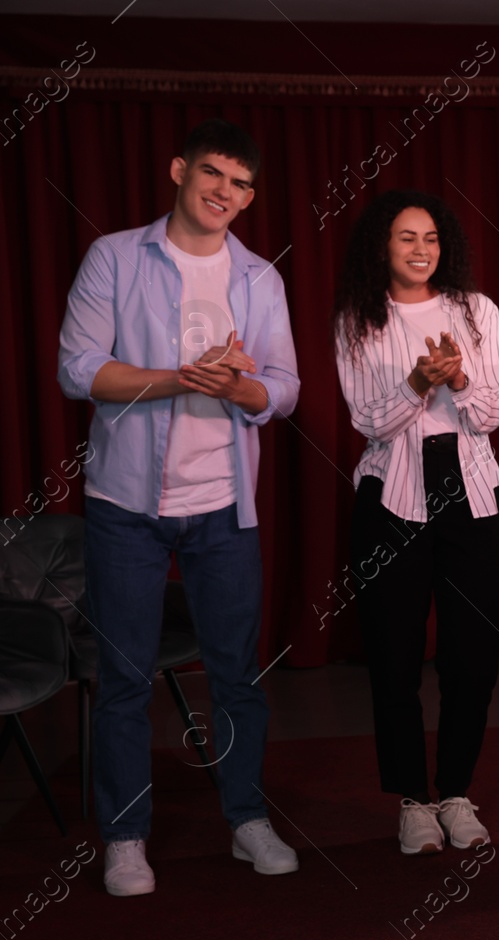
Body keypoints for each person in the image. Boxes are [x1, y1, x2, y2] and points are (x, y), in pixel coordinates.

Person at [57, 119, 302, 896]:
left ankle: (246, 819)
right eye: (212, 175)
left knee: (236, 675)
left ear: (250, 197)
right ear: (178, 170)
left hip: (224, 507)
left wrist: (239, 387)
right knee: (125, 675)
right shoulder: (117, 256)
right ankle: (126, 837)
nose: (224, 192)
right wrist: (179, 379)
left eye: (239, 184)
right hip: (124, 506)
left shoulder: (261, 278)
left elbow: (285, 388)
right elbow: (78, 369)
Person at [332, 190, 499, 856]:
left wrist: (459, 376)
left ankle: (457, 792)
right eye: (406, 238)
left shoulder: (476, 311)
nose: (420, 250)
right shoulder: (360, 315)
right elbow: (370, 421)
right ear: (383, 245)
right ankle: (413, 801)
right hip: (391, 501)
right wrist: (415, 381)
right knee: (394, 654)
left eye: (431, 238)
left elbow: (492, 412)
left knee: (472, 659)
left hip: (469, 496)